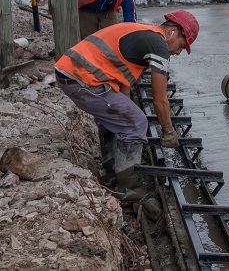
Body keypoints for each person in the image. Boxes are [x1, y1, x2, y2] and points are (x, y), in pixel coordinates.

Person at [54, 10, 199, 200]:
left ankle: (110, 174)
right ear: (172, 32)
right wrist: (168, 130)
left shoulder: (143, 34)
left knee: (120, 119)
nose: (179, 52)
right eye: (182, 45)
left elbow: (123, 87)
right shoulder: (158, 45)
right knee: (137, 123)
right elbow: (160, 99)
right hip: (83, 78)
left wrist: (124, 112)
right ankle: (129, 189)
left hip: (72, 74)